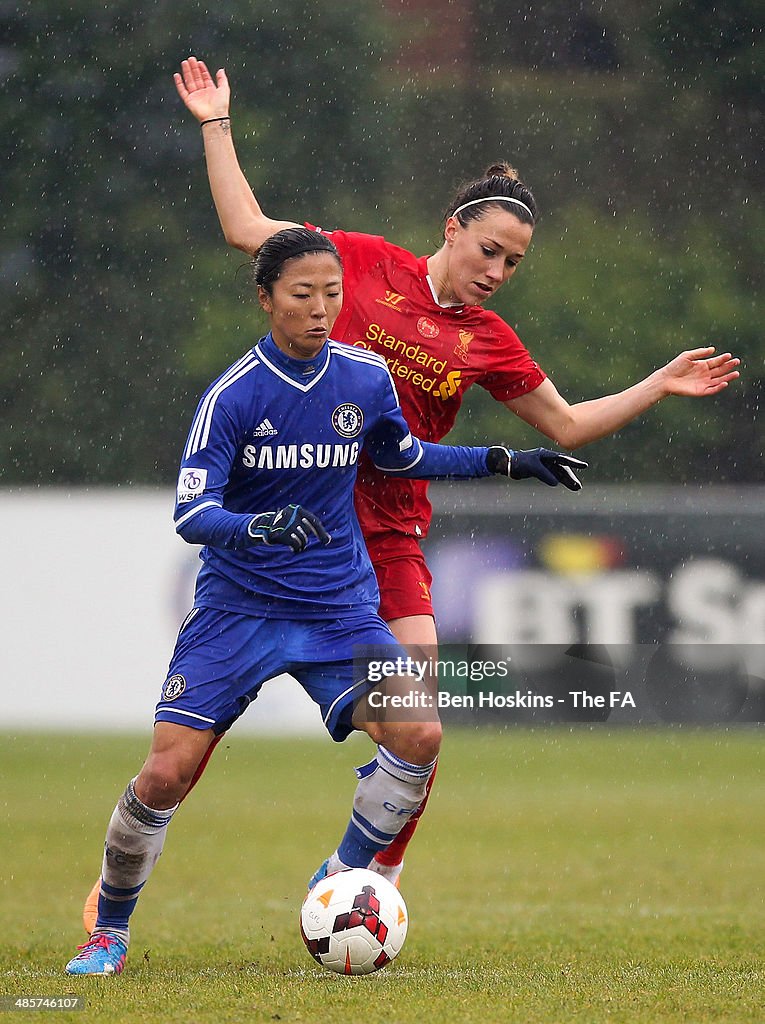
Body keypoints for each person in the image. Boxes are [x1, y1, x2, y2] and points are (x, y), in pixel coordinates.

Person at [159, 56, 742, 894]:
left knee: (418, 726)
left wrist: (657, 383)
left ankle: (366, 879)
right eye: (489, 250)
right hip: (300, 532)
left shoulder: (488, 340)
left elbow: (567, 424)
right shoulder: (356, 263)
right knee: (192, 740)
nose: (496, 272)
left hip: (390, 542)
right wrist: (216, 122)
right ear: (452, 228)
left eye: (512, 264)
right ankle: (148, 824)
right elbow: (247, 227)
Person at [66, 228, 586, 975]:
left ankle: (340, 873)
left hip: (336, 612)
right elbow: (190, 513)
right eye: (302, 295)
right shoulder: (233, 395)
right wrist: (258, 526)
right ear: (266, 299)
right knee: (164, 776)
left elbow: (401, 455)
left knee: (419, 736)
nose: (319, 310)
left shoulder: (363, 377)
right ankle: (108, 932)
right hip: (236, 613)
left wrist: (503, 459)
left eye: (331, 295)